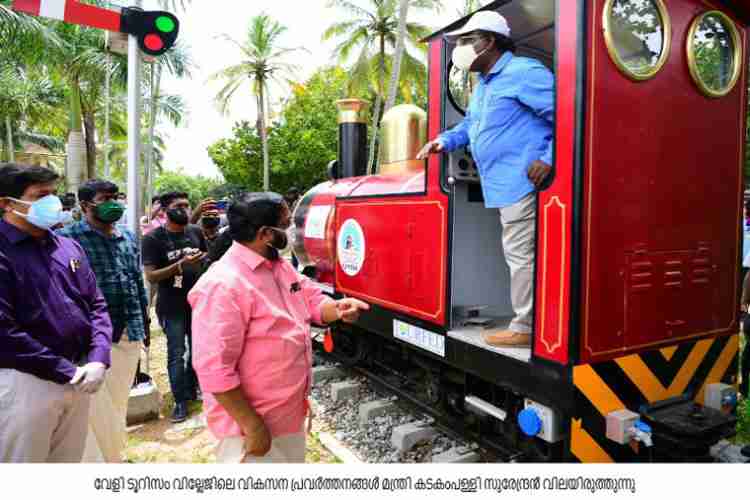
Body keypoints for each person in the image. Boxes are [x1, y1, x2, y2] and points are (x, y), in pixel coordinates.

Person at [188, 192, 369, 463]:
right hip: (252, 426)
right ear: (265, 233)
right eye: (286, 224)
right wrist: (252, 426)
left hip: (286, 416)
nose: (292, 231)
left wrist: (338, 309)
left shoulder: (278, 265)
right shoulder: (223, 285)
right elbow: (215, 370)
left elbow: (309, 299)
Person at [417, 11, 553, 347]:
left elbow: (569, 114)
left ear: (489, 41)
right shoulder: (485, 85)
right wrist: (443, 141)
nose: (461, 48)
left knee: (521, 256)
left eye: (467, 40)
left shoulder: (525, 73)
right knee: (518, 255)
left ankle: (525, 327)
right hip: (502, 187)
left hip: (522, 182)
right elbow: (470, 126)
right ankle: (527, 321)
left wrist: (548, 158)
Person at [0, 164, 112, 462]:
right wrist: (67, 372)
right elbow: (4, 333)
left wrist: (99, 358)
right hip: (26, 384)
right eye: (40, 195)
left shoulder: (67, 246)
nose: (52, 202)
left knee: (66, 467)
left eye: (53, 194)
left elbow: (97, 304)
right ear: (7, 204)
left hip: (81, 377)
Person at [57, 180, 149, 462]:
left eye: (115, 197)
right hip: (92, 339)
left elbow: (136, 280)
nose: (113, 203)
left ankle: (114, 455)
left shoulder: (128, 237)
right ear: (85, 206)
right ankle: (100, 463)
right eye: (104, 198)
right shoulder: (68, 239)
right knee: (95, 408)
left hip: (128, 331)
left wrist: (144, 323)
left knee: (118, 402)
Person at [142, 191, 206, 423]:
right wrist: (179, 265)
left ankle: (192, 387)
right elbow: (151, 276)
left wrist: (202, 259)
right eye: (179, 206)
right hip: (171, 305)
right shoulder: (153, 239)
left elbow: (205, 257)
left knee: (198, 349)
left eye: (188, 206)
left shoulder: (195, 231)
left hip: (198, 303)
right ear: (166, 210)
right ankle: (180, 400)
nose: (186, 209)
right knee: (176, 353)